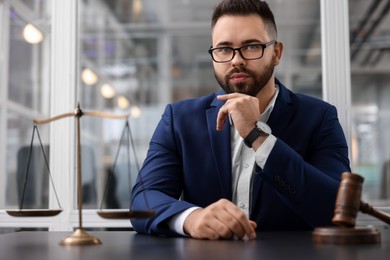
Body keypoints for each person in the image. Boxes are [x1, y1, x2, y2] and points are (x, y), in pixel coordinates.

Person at [130, 0, 350, 240]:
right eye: (224, 49)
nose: (236, 60)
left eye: (251, 46)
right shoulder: (179, 119)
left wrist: (258, 136)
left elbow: (337, 209)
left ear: (276, 53)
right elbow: (144, 200)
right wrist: (192, 219)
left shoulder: (319, 117)